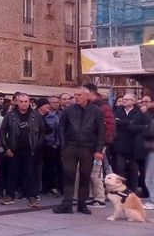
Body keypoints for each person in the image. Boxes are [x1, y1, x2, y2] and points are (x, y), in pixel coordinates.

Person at [54, 87, 105, 215]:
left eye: (80, 95)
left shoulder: (96, 111)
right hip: (70, 146)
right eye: (75, 95)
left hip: (88, 147)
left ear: (87, 96)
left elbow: (101, 132)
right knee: (68, 174)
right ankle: (67, 204)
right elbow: (61, 128)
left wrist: (99, 150)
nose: (76, 97)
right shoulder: (69, 110)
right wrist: (63, 145)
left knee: (85, 175)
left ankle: (82, 204)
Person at [0, 93, 41, 207]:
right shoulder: (10, 115)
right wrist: (6, 148)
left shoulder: (35, 115)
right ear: (16, 102)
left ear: (29, 102)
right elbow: (2, 131)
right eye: (21, 101)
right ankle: (10, 196)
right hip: (14, 150)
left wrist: (37, 146)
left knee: (30, 174)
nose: (24, 104)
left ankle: (32, 197)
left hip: (30, 150)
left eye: (26, 101)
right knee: (12, 173)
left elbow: (42, 132)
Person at [113, 94, 144, 193]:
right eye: (123, 99)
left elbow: (137, 126)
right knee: (120, 169)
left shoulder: (138, 112)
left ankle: (133, 191)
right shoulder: (118, 110)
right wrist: (129, 122)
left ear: (133, 101)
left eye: (126, 99)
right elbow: (115, 122)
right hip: (120, 143)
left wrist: (123, 123)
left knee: (133, 169)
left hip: (134, 144)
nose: (124, 101)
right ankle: (121, 190)